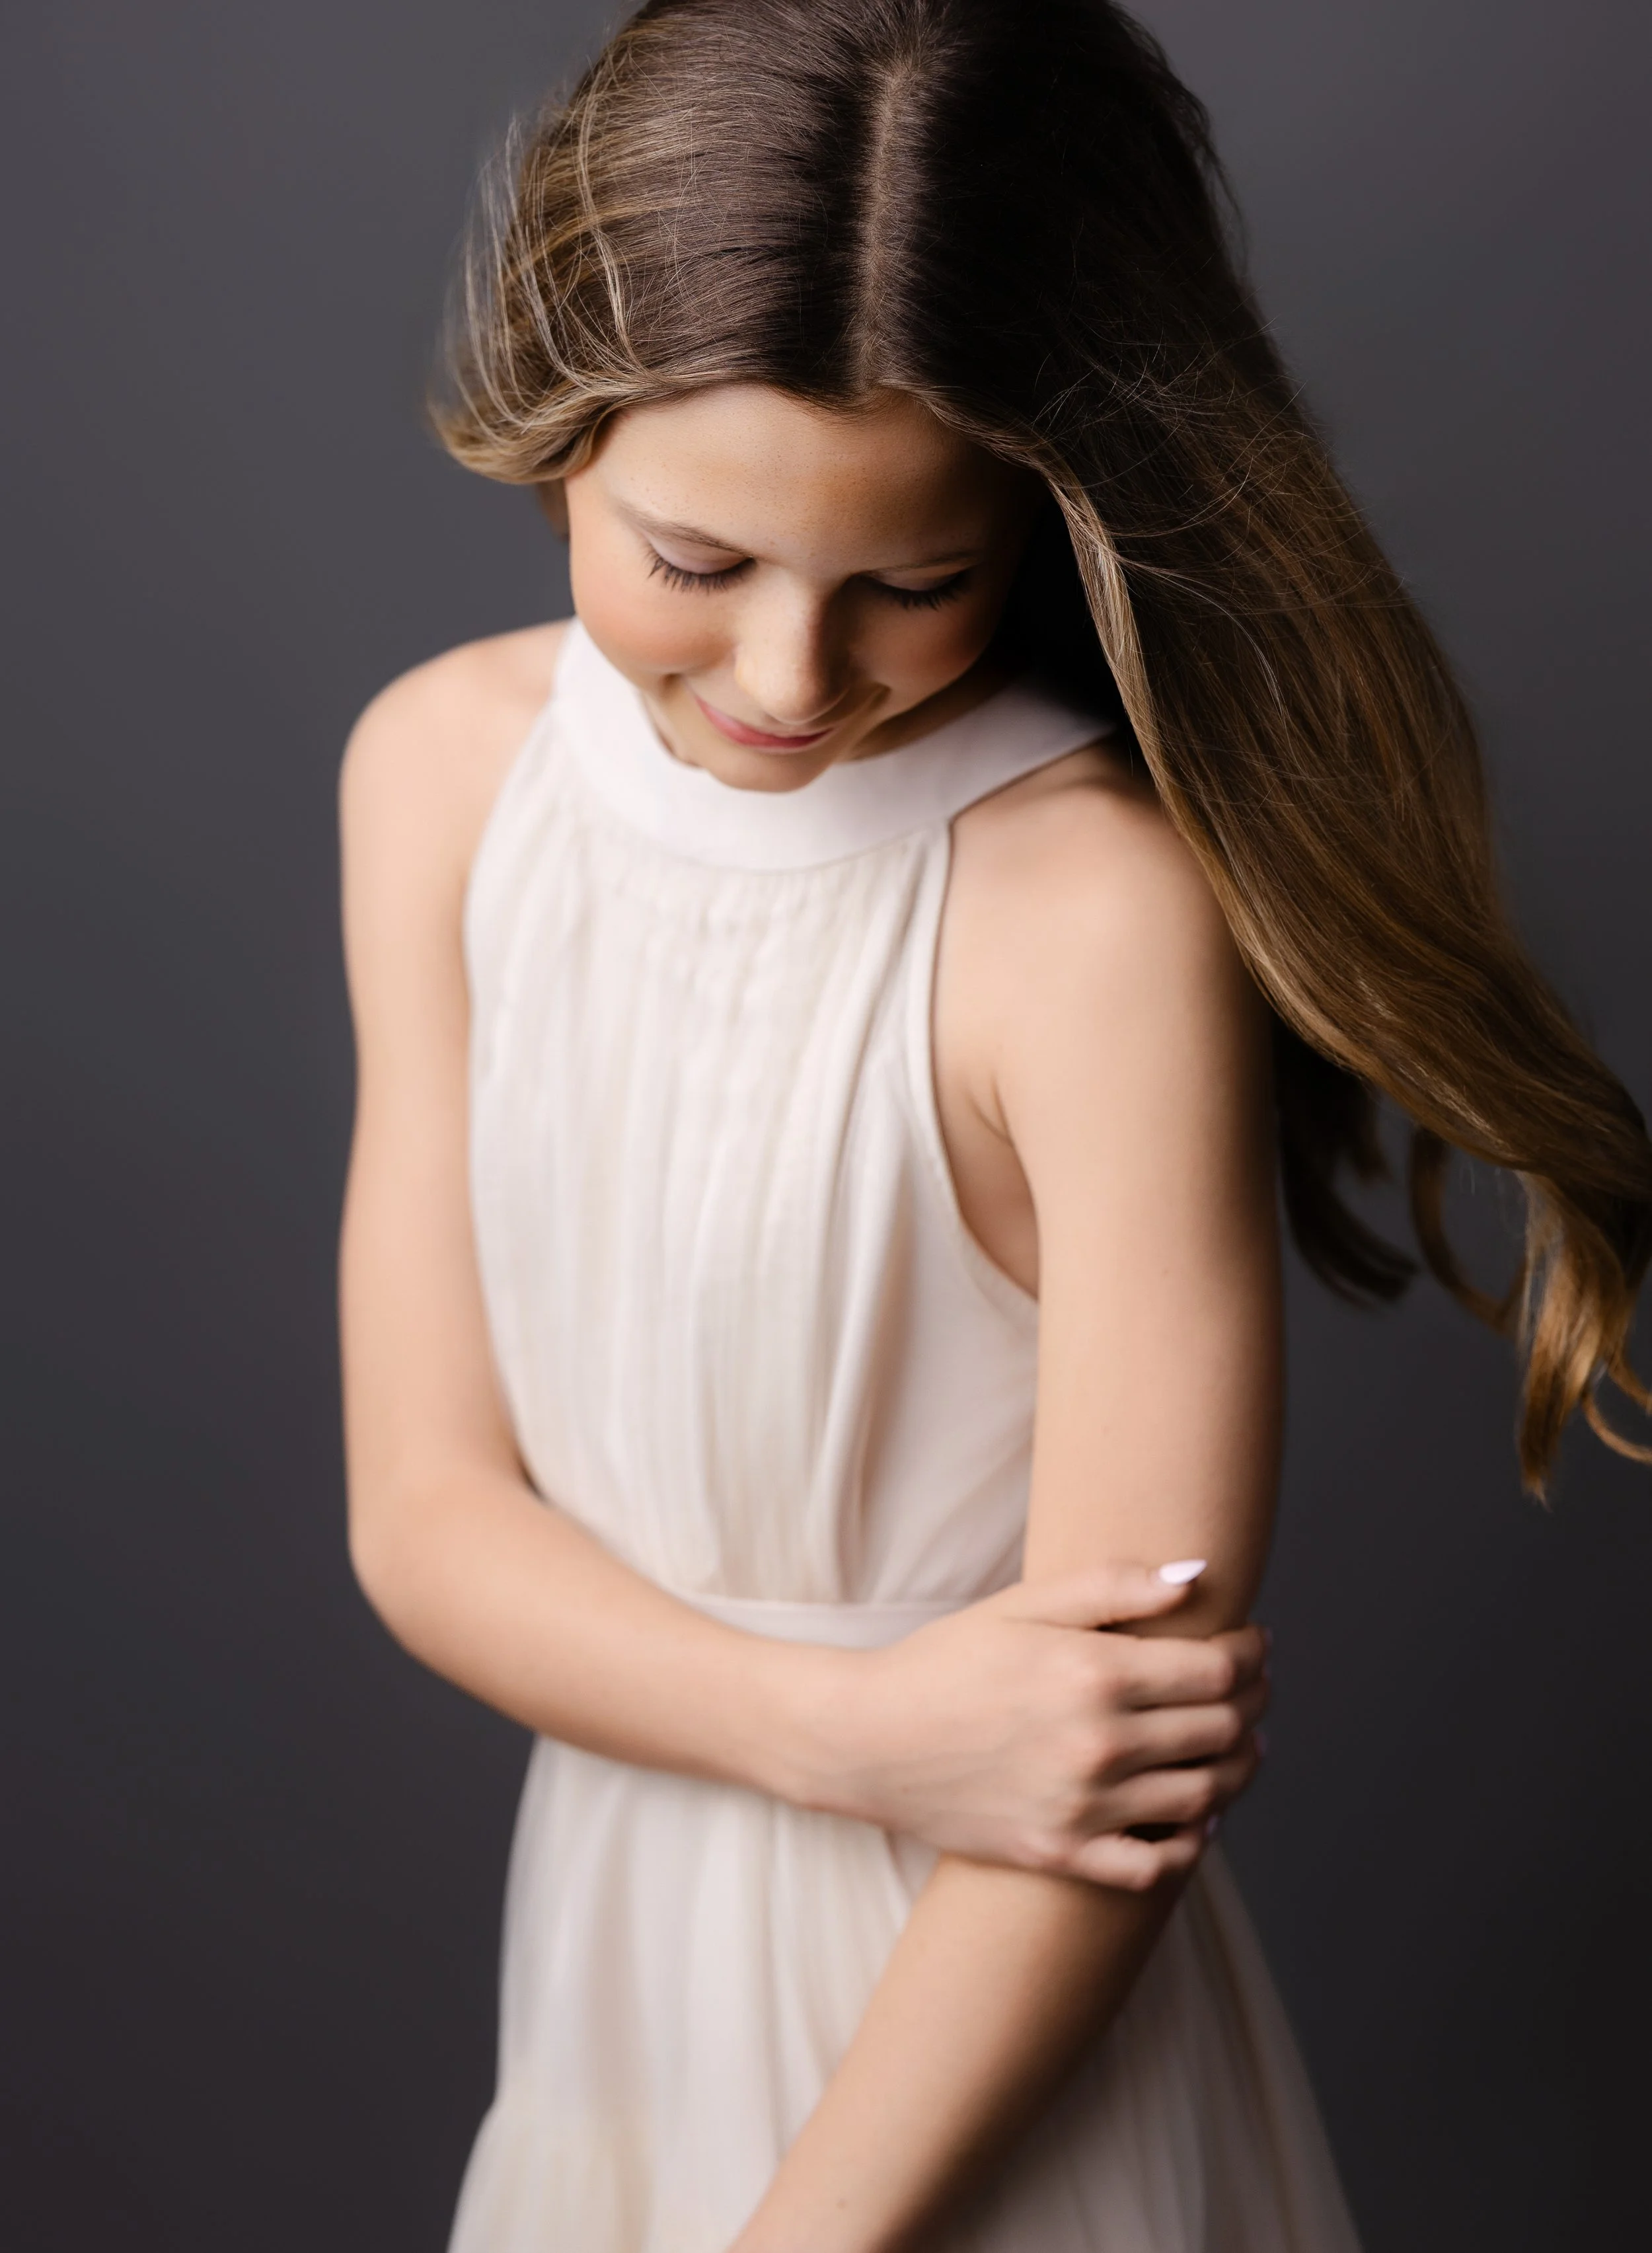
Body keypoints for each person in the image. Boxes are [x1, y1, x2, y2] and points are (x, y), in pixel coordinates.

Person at [336, 2, 1652, 2246]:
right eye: (691, 560)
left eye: (909, 584)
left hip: (968, 2073)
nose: (781, 675)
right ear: (553, 425)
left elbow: (1101, 1775)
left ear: (1037, 525)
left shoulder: (1090, 919)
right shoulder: (443, 778)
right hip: (612, 2006)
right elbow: (427, 1517)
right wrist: (850, 1733)